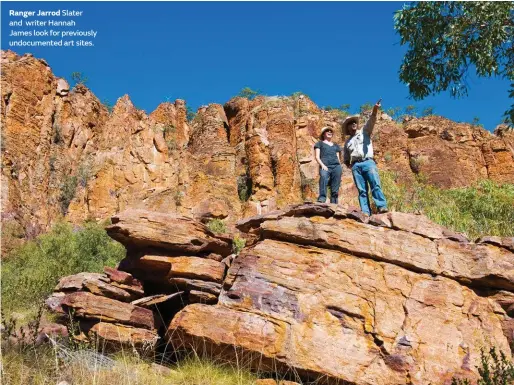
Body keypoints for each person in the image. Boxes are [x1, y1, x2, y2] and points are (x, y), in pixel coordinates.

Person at [342, 100, 388, 215]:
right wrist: (352, 166)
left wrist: (375, 109)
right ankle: (365, 212)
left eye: (354, 122)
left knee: (375, 185)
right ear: (347, 128)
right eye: (350, 123)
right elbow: (346, 159)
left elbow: (372, 120)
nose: (353, 124)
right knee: (362, 190)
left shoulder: (364, 132)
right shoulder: (347, 142)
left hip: (368, 162)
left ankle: (381, 206)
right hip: (356, 166)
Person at [314, 127, 343, 204]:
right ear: (323, 134)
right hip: (325, 166)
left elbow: (337, 157)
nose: (330, 131)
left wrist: (340, 168)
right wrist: (322, 165)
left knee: (335, 185)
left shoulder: (336, 145)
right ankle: (322, 198)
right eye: (327, 131)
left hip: (336, 166)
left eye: (331, 131)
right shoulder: (319, 143)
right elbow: (317, 157)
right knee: (323, 178)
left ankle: (334, 202)